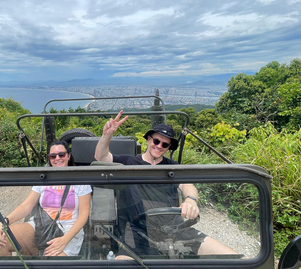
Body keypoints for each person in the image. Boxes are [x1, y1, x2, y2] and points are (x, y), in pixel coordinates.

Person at [94, 110, 237, 258]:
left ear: (168, 147)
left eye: (165, 144)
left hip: (175, 229)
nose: (159, 146)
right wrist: (107, 135)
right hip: (138, 231)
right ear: (149, 139)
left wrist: (190, 200)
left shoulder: (172, 167)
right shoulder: (129, 162)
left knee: (233, 257)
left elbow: (187, 185)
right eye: (156, 141)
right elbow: (101, 157)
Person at [0, 140, 92, 257]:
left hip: (68, 231)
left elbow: (84, 214)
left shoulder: (80, 181)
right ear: (49, 158)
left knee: (53, 263)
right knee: (1, 241)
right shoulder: (43, 179)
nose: (57, 158)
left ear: (68, 156)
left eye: (61, 154)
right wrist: (3, 223)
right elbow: (26, 206)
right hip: (41, 225)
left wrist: (64, 240)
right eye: (53, 156)